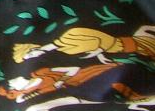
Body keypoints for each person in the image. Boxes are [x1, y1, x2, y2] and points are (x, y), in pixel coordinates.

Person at [14, 25, 155, 65]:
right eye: (29, 58)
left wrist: (98, 52)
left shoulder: (69, 35)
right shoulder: (66, 50)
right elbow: (95, 46)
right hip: (123, 49)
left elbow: (97, 41)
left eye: (30, 54)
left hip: (126, 44)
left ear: (33, 48)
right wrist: (100, 56)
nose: (33, 57)